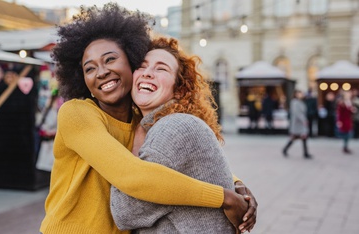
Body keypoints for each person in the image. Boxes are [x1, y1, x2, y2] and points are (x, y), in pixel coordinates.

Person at [40, 4, 257, 234]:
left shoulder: (140, 121)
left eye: (110, 59)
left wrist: (236, 184)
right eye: (89, 68)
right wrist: (223, 197)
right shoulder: (77, 113)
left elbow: (183, 161)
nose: (101, 72)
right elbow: (132, 175)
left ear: (131, 64)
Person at [110, 37, 249, 233]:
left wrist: (138, 136)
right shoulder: (171, 123)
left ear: (179, 89)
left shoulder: (174, 128)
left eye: (161, 69)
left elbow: (125, 212)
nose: (148, 73)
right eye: (142, 66)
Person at [282, 90, 313, 159]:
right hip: (297, 123)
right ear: (295, 94)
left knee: (303, 137)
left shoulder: (301, 102)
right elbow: (297, 113)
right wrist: (304, 120)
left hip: (300, 124)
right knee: (297, 137)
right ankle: (285, 149)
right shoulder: (295, 102)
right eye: (299, 93)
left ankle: (305, 153)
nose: (301, 95)